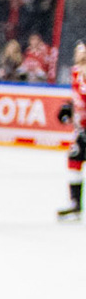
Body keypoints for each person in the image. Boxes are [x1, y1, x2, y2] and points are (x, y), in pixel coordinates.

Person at [60, 42, 84, 221]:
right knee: (74, 160)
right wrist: (67, 108)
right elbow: (75, 97)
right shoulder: (75, 72)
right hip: (81, 129)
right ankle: (75, 203)